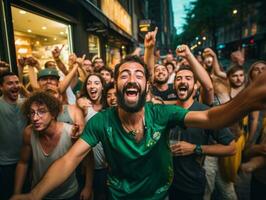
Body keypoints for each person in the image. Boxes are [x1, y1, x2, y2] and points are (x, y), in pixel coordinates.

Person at [10, 33, 266, 200]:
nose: (131, 78)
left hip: (160, 196)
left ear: (146, 87)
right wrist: (35, 194)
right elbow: (69, 160)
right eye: (123, 75)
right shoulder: (102, 121)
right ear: (117, 86)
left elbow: (211, 119)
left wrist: (248, 99)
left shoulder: (163, 113)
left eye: (139, 75)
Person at [168, 66, 235, 200]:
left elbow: (231, 148)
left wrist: (195, 148)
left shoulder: (206, 113)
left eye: (188, 78)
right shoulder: (167, 112)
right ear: (174, 85)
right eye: (178, 78)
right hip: (165, 185)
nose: (183, 81)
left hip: (191, 185)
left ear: (195, 86)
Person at [13, 92, 92, 200]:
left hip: (68, 194)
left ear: (53, 113)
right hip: (39, 195)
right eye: (32, 113)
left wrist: (87, 187)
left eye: (41, 112)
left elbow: (89, 161)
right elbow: (23, 163)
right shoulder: (29, 133)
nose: (35, 118)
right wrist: (16, 193)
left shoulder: (71, 132)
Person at [0, 71, 27, 200]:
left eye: (17, 82)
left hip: (27, 161)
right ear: (1, 87)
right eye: (10, 83)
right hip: (5, 164)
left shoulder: (25, 104)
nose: (15, 86)